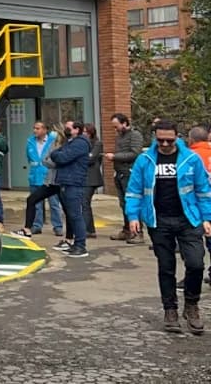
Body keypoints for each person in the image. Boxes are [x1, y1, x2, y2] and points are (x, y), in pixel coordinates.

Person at [126, 119, 211, 334]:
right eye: (160, 140)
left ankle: (191, 306)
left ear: (177, 137)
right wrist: (133, 217)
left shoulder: (191, 159)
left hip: (188, 219)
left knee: (196, 264)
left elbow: (203, 191)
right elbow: (134, 190)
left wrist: (207, 218)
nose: (164, 144)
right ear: (154, 137)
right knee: (166, 267)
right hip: (159, 220)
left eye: (169, 140)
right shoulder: (144, 160)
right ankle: (170, 310)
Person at [51, 119, 91, 258]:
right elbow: (56, 154)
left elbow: (61, 157)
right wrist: (57, 154)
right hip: (66, 181)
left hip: (74, 182)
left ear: (76, 130)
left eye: (68, 128)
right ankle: (75, 244)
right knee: (71, 215)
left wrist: (57, 154)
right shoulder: (71, 143)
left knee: (75, 215)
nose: (65, 130)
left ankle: (81, 245)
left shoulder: (80, 144)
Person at [15, 121, 62, 237]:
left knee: (54, 203)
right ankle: (37, 225)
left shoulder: (52, 140)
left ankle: (58, 226)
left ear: (45, 130)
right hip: (35, 175)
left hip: (49, 176)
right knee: (36, 203)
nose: (35, 130)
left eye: (38, 128)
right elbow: (29, 157)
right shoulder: (30, 141)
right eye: (34, 128)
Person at [106, 113, 146, 244]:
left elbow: (135, 153)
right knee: (123, 204)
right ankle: (127, 229)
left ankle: (138, 232)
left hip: (130, 173)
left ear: (124, 123)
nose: (115, 129)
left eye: (116, 126)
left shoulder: (135, 135)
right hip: (119, 172)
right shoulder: (119, 137)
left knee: (132, 203)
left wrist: (115, 157)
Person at [188, 125, 211, 286]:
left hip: (199, 204)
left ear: (191, 139)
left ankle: (193, 275)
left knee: (193, 243)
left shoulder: (191, 156)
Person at [83, 123, 104, 239]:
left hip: (91, 178)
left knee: (85, 203)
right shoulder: (83, 144)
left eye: (85, 132)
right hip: (84, 177)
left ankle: (87, 229)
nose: (83, 134)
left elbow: (91, 158)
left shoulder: (97, 143)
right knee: (84, 203)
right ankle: (90, 230)